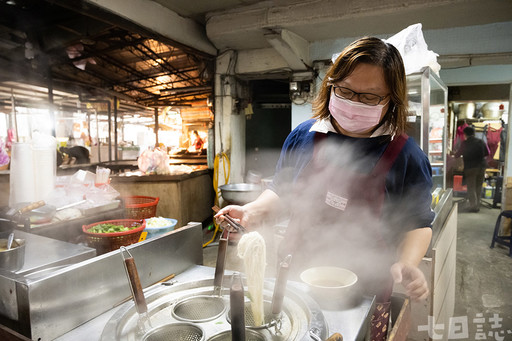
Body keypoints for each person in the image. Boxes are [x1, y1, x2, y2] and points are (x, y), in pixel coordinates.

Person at [215, 37, 434, 341]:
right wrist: (253, 210)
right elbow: (282, 191)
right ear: (330, 85)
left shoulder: (407, 156)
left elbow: (419, 224)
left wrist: (408, 264)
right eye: (345, 91)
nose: (355, 103)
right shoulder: (303, 136)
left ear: (392, 100)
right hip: (293, 277)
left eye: (370, 97)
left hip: (365, 288)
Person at [454, 126, 489, 212]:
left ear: (465, 134)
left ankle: (473, 206)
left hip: (471, 167)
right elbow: (487, 152)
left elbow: (458, 154)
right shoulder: (481, 141)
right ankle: (477, 205)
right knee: (478, 186)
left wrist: (455, 154)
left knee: (471, 187)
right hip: (481, 166)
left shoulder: (465, 143)